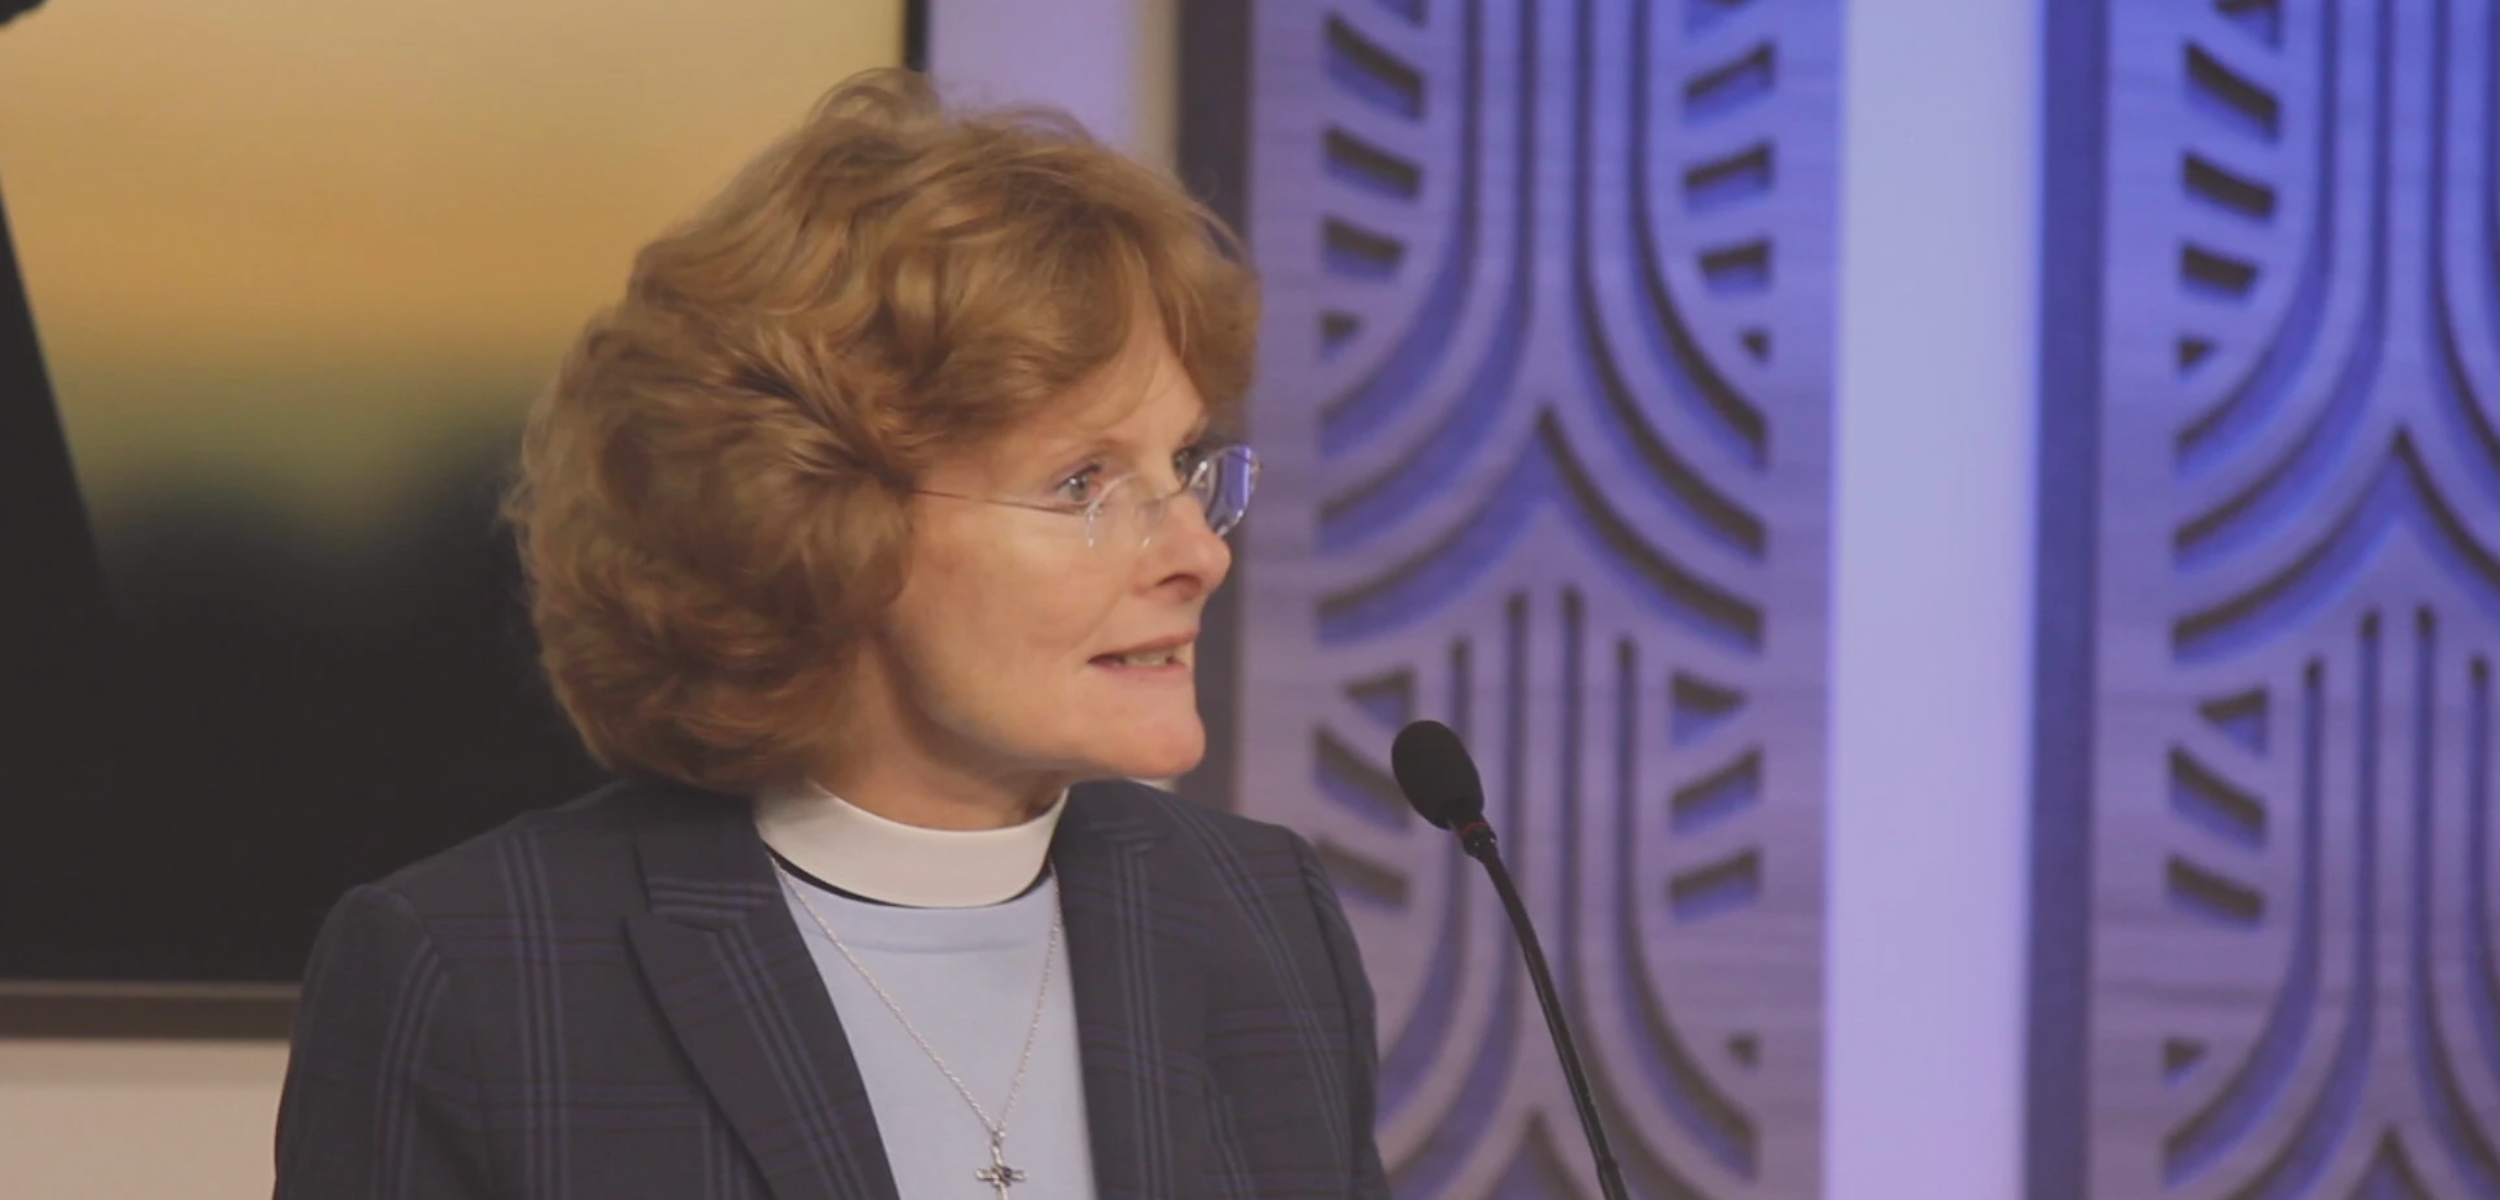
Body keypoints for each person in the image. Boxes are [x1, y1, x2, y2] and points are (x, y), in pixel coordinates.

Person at [272, 68, 1388, 1200]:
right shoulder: (473, 973)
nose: (1199, 551)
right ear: (819, 522)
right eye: (1081, 481)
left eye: (1186, 463)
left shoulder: (1261, 918)